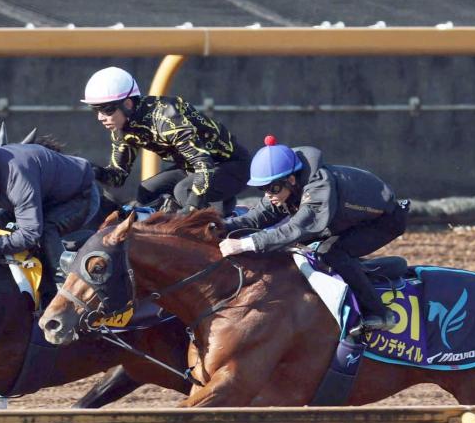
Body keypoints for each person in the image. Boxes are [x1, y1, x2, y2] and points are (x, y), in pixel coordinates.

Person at [218, 136, 408, 332]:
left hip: (384, 221)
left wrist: (244, 244)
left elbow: (296, 229)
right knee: (308, 250)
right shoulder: (283, 190)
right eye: (262, 188)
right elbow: (255, 219)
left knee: (332, 253)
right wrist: (217, 227)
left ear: (291, 180)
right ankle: (355, 274)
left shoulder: (319, 187)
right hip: (344, 219)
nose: (268, 195)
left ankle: (380, 313)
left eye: (272, 188)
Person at [0, 130, 100, 293]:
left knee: (45, 230)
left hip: (79, 197)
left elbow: (30, 234)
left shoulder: (16, 176)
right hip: (41, 197)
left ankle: (64, 285)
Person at [82, 66, 250, 215]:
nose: (100, 117)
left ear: (127, 104)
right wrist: (92, 170)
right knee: (146, 191)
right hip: (194, 169)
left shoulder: (166, 118)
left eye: (107, 110)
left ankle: (222, 218)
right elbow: (117, 177)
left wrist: (191, 209)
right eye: (96, 110)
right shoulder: (122, 129)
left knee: (184, 191)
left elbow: (204, 165)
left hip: (232, 165)